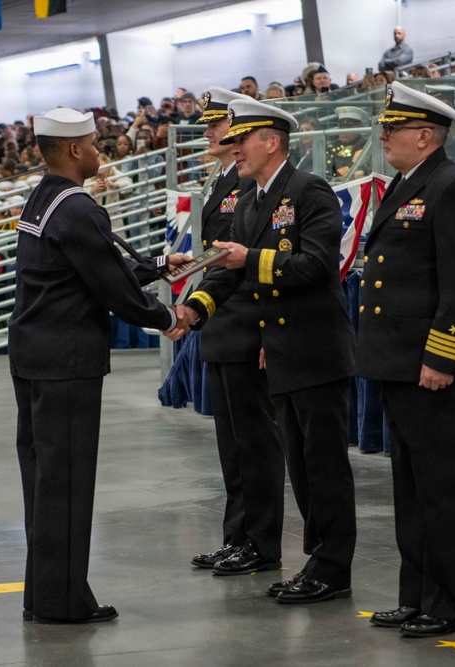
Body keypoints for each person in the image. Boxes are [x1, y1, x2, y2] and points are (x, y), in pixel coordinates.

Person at [9, 107, 187, 625]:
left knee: (44, 481)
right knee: (66, 482)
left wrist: (156, 265)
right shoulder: (79, 208)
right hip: (66, 360)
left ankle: (44, 595)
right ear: (73, 150)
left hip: (35, 354)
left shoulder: (45, 197)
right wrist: (167, 318)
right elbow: (110, 287)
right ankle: (63, 604)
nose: (98, 151)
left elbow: (83, 268)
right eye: (91, 143)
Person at [176, 97, 357, 605]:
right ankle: (319, 563)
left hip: (314, 349)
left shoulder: (308, 191)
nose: (234, 148)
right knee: (301, 467)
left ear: (272, 142)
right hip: (280, 351)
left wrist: (250, 257)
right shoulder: (252, 200)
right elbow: (228, 273)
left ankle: (332, 568)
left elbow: (317, 265)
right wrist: (192, 311)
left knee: (323, 468)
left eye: (242, 140)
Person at [358, 81, 455, 638]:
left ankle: (448, 604)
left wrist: (442, 357)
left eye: (394, 128)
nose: (384, 137)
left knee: (439, 492)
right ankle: (414, 597)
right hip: (398, 363)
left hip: (431, 368)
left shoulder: (452, 185)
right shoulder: (407, 183)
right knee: (410, 491)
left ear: (425, 135)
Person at [185, 86, 286, 577]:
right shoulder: (224, 179)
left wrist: (266, 334)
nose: (210, 133)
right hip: (222, 320)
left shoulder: (248, 184)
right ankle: (238, 537)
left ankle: (260, 542)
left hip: (247, 323)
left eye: (217, 125)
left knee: (254, 443)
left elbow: (249, 260)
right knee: (232, 444)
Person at [326, 106, 370, 180]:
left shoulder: (367, 145)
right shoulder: (331, 147)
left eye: (348, 127)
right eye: (341, 127)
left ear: (359, 127)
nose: (344, 130)